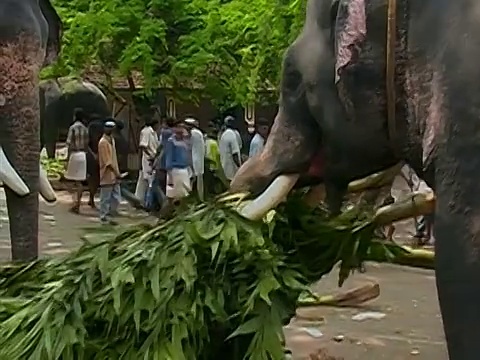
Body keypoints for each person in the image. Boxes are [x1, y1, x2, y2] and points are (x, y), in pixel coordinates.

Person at [64, 108, 90, 213]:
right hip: (83, 155)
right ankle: (78, 202)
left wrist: (67, 158)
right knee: (79, 181)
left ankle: (75, 203)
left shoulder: (73, 128)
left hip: (74, 154)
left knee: (71, 180)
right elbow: (87, 144)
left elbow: (69, 143)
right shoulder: (85, 129)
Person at [97, 121, 123, 224]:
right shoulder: (103, 142)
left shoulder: (112, 140)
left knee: (116, 197)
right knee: (105, 197)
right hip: (107, 173)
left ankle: (111, 214)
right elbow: (107, 162)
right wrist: (116, 173)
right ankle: (103, 216)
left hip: (114, 173)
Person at [164, 120, 191, 201]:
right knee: (174, 195)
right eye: (179, 127)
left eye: (183, 127)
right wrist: (170, 174)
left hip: (185, 169)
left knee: (185, 194)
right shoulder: (171, 141)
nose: (181, 129)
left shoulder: (185, 141)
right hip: (175, 170)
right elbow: (169, 157)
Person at [135, 117, 159, 204]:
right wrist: (150, 156)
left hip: (153, 157)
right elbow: (143, 146)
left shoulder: (153, 132)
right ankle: (146, 201)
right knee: (148, 179)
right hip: (148, 159)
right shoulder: (146, 131)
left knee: (147, 179)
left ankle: (143, 199)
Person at [184, 117, 205, 200]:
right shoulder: (198, 133)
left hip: (193, 161)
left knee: (191, 182)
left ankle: (192, 199)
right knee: (199, 183)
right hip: (198, 161)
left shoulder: (192, 134)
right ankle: (200, 199)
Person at [219, 116, 242, 181]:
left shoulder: (223, 134)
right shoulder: (231, 134)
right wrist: (240, 168)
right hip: (232, 171)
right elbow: (235, 154)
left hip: (224, 169)